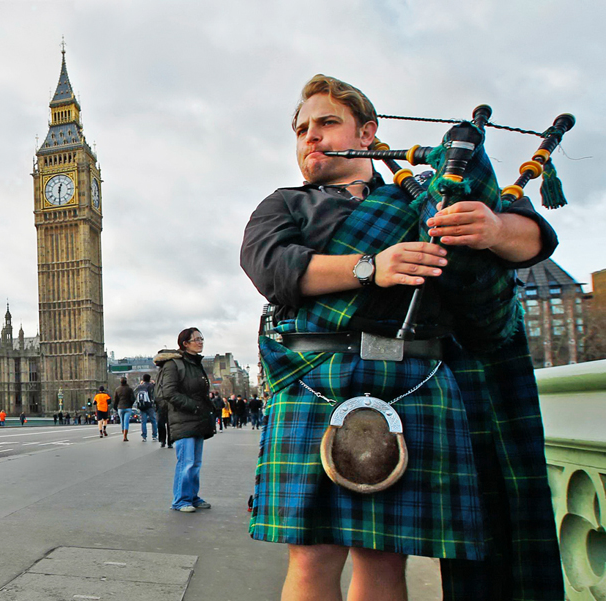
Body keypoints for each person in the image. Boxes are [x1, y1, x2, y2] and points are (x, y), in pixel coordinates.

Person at [240, 74, 562, 600]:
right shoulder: (285, 204)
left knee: (384, 556)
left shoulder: (425, 197)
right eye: (301, 130)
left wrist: (495, 230)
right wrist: (371, 267)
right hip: (316, 380)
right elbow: (271, 267)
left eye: (326, 123)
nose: (310, 138)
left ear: (367, 133)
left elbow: (532, 238)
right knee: (312, 556)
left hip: (411, 379)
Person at [155, 328, 215, 513]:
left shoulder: (195, 363)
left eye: (201, 338)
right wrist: (194, 406)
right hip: (183, 417)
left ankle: (192, 497)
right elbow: (169, 393)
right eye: (196, 339)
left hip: (197, 417)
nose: (200, 342)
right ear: (185, 344)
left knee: (195, 463)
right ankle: (180, 500)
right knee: (186, 462)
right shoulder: (174, 364)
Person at [134, 374, 158, 441]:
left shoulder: (140, 386)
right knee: (153, 421)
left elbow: (134, 393)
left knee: (143, 422)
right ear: (149, 379)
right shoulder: (151, 386)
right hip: (150, 405)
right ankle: (154, 435)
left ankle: (144, 436)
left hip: (142, 406)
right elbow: (155, 393)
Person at [113, 377, 137, 441]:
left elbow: (115, 400)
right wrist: (130, 404)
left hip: (120, 407)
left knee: (122, 421)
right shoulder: (129, 389)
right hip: (128, 407)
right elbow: (133, 399)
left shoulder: (117, 389)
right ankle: (125, 436)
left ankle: (123, 433)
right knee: (126, 422)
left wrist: (115, 407)